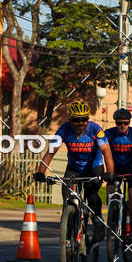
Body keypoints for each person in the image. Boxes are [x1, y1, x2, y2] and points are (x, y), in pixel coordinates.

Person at [34, 100, 114, 240]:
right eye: (77, 120)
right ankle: (69, 225)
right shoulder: (64, 130)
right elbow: (50, 153)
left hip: (94, 167)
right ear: (70, 120)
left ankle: (98, 222)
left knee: (91, 194)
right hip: (74, 167)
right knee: (66, 193)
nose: (81, 123)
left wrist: (110, 173)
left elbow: (106, 152)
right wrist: (41, 173)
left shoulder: (95, 130)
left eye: (84, 119)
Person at [104, 108, 132, 244]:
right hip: (116, 168)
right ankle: (113, 215)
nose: (122, 126)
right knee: (110, 190)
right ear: (115, 123)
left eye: (125, 123)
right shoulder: (109, 134)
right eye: (119, 123)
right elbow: (100, 149)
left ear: (129, 123)